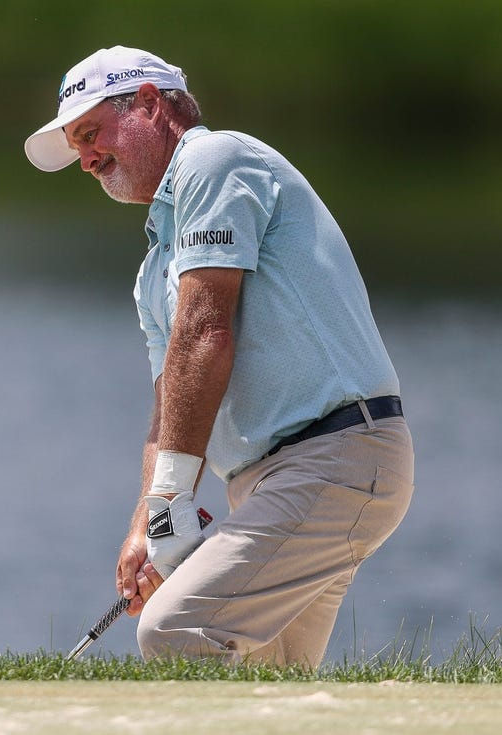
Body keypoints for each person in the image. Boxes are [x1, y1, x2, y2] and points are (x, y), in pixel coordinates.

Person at [24, 46, 415, 667]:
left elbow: (207, 332)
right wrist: (147, 527)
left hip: (336, 457)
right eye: (76, 146)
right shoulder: (155, 269)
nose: (86, 159)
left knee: (173, 631)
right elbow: (171, 396)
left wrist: (173, 505)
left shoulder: (214, 158)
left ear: (150, 104)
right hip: (269, 482)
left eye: (91, 133)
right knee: (270, 686)